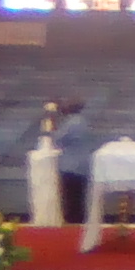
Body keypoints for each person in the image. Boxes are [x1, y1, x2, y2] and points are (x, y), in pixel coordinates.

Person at [52, 97, 96, 226]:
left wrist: (53, 124)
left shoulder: (71, 123)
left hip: (71, 165)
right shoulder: (83, 121)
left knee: (72, 198)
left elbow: (58, 139)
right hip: (82, 164)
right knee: (79, 197)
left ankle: (72, 224)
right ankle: (79, 222)